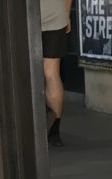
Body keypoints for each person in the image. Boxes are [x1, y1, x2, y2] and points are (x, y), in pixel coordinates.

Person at [41, 0, 72, 147]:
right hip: (55, 15)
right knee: (51, 72)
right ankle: (54, 133)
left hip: (23, 17)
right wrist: (66, 14)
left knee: (22, 71)